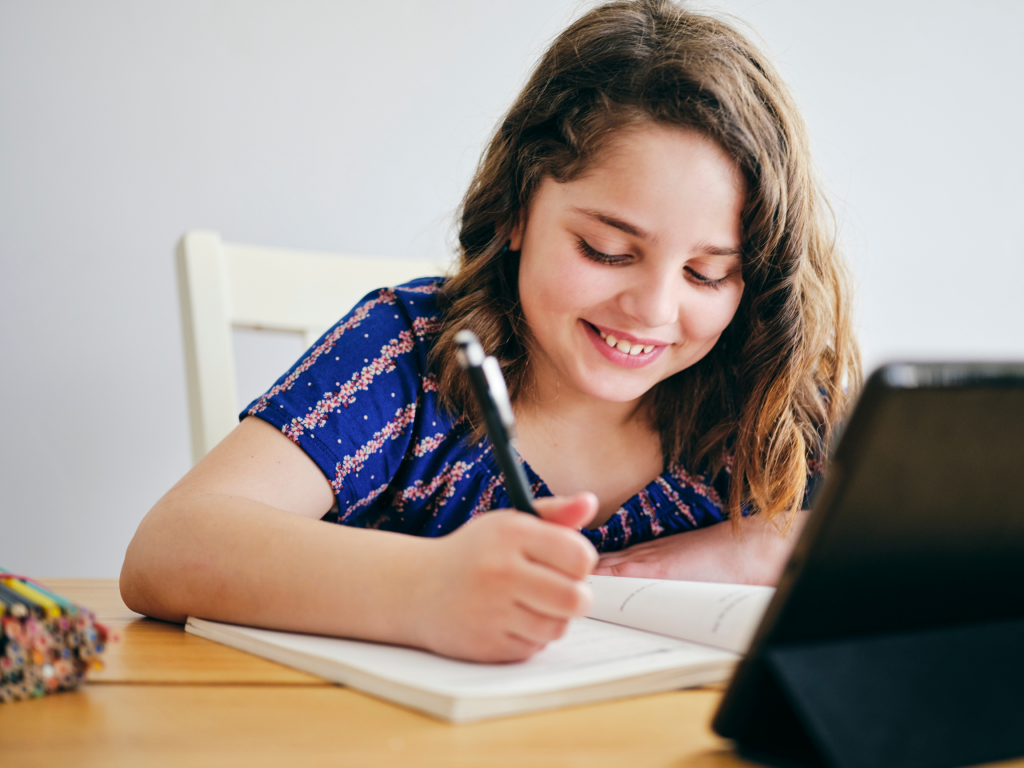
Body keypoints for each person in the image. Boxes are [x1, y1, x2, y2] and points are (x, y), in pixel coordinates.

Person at [120, 0, 860, 663]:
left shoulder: (771, 393)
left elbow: (941, 560)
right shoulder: (410, 357)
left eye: (707, 274)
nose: (655, 309)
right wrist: (428, 587)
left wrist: (758, 546)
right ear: (514, 210)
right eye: (606, 251)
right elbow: (169, 549)